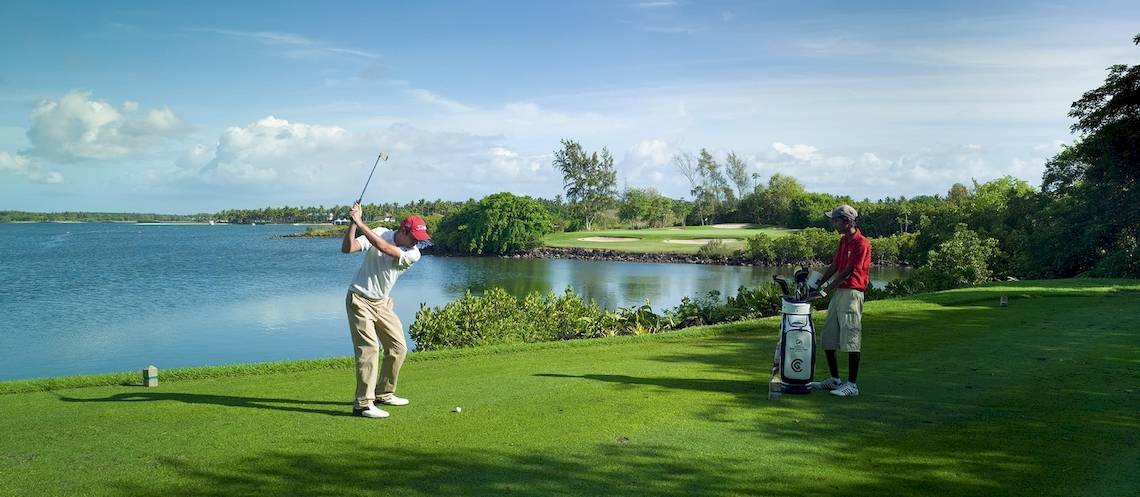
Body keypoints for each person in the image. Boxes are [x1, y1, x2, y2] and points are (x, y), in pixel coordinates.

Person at [341, 202, 431, 418]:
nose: (417, 243)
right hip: (359, 299)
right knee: (369, 350)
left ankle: (384, 393)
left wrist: (361, 222)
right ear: (402, 231)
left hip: (382, 303)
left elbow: (384, 248)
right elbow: (348, 248)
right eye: (414, 238)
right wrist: (353, 224)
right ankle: (362, 404)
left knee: (398, 348)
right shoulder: (381, 232)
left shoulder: (413, 254)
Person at [809, 204, 871, 397]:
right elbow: (836, 265)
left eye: (836, 220)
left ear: (847, 221)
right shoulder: (843, 241)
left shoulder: (862, 243)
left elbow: (848, 271)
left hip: (852, 293)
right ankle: (835, 379)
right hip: (839, 294)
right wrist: (817, 284)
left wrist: (825, 291)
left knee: (851, 337)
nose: (833, 223)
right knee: (829, 336)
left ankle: (852, 385)